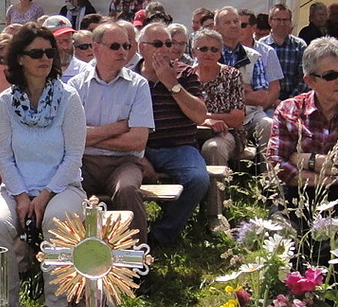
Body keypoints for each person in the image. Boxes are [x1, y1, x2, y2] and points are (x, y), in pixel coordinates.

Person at [0, 26, 86, 307]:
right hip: (16, 188)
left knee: (58, 220)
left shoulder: (69, 98)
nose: (44, 58)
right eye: (36, 53)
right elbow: (4, 156)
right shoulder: (4, 102)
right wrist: (23, 196)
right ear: (19, 59)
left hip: (63, 186)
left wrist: (43, 196)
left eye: (49, 52)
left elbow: (73, 157)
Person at [267, 38, 338, 222]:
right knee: (284, 240)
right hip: (297, 194)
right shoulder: (288, 110)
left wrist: (306, 160)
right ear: (310, 81)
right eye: (330, 76)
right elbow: (276, 164)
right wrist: (326, 180)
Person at [69, 20, 156, 240]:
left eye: (126, 46)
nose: (123, 52)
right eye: (115, 46)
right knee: (66, 191)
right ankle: (74, 258)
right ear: (96, 49)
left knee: (127, 190)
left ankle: (136, 262)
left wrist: (89, 137)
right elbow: (69, 136)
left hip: (124, 162)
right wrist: (116, 128)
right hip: (83, 162)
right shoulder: (75, 86)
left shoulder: (138, 85)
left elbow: (137, 142)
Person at [135, 22, 213, 245]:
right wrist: (139, 156)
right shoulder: (130, 78)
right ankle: (127, 237)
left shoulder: (185, 73)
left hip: (179, 147)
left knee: (198, 179)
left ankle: (161, 234)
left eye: (168, 43)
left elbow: (200, 116)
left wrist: (172, 83)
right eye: (157, 43)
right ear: (141, 48)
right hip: (140, 147)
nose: (164, 49)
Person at [190, 27, 247, 231]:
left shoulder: (231, 75)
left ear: (221, 53)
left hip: (227, 134)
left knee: (213, 148)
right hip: (191, 134)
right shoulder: (187, 77)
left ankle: (215, 215)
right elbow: (181, 113)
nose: (208, 53)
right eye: (203, 48)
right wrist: (207, 121)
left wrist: (203, 118)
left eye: (214, 49)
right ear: (193, 51)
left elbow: (237, 118)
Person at [263, 4, 308, 100]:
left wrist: (290, 101)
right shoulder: (260, 46)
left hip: (294, 100)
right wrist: (273, 101)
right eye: (278, 19)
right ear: (270, 21)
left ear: (291, 22)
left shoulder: (300, 46)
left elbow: (304, 79)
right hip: (267, 101)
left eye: (285, 20)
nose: (282, 24)